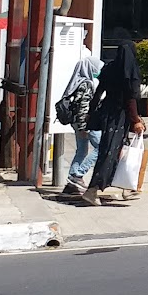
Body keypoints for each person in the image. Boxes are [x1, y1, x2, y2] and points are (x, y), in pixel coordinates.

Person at [82, 39, 144, 205]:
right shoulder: (131, 73)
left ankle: (126, 187)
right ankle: (92, 189)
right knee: (111, 151)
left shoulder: (109, 69)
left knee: (118, 150)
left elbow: (98, 92)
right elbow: (131, 99)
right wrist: (136, 120)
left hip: (107, 113)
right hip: (120, 116)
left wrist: (91, 113)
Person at [59, 48, 103, 199]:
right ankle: (78, 174)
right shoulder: (87, 84)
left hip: (76, 122)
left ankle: (72, 182)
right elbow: (83, 106)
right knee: (101, 147)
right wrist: (84, 126)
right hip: (85, 123)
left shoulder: (77, 82)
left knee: (82, 150)